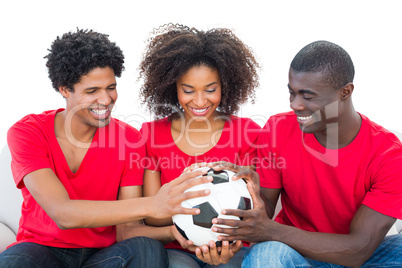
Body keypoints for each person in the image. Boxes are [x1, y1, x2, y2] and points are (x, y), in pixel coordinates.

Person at [0, 28, 212, 268]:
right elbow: (63, 213)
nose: (106, 99)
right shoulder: (28, 132)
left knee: (146, 248)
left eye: (110, 87)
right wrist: (154, 204)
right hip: (42, 250)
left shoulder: (130, 140)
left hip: (105, 255)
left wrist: (178, 232)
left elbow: (127, 231)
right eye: (92, 91)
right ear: (64, 89)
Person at [205, 41, 402, 267]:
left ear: (345, 92)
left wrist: (272, 231)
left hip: (358, 255)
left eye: (307, 96)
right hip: (294, 251)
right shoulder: (277, 128)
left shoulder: (389, 155)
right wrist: (247, 189)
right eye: (292, 93)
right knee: (266, 256)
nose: (295, 105)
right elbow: (266, 210)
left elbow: (358, 250)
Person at [137, 23, 261, 267]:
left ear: (225, 86)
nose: (200, 100)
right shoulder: (151, 135)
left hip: (233, 247)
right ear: (173, 87)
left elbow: (254, 208)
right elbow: (153, 218)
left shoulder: (247, 132)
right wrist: (190, 227)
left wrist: (224, 238)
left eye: (211, 89)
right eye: (188, 90)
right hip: (178, 250)